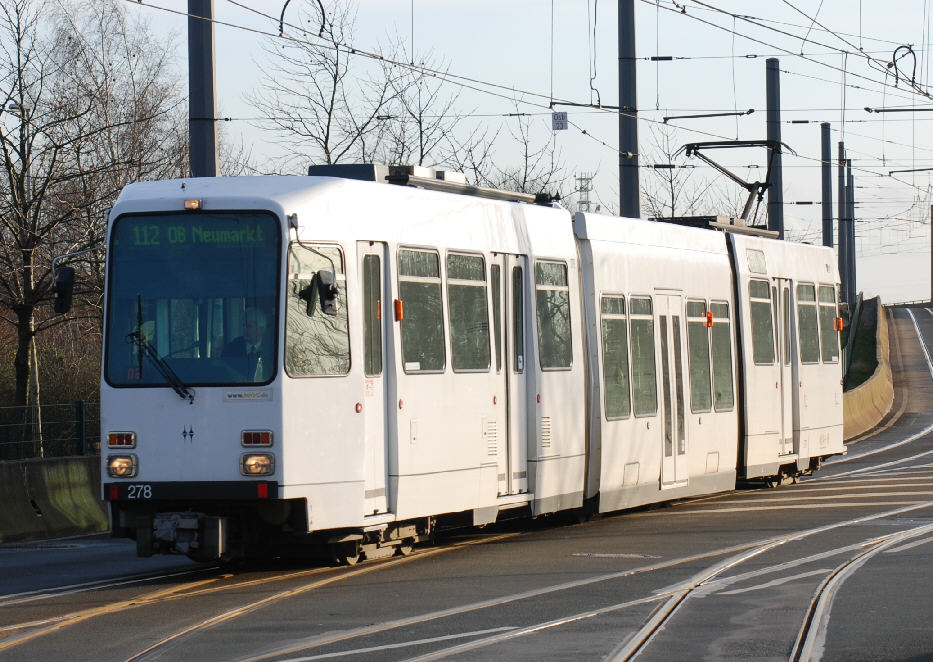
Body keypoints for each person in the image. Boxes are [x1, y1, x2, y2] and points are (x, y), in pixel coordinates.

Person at [223, 308, 269, 380]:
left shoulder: (272, 349)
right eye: (243, 326)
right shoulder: (231, 348)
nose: (245, 329)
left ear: (262, 329)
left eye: (249, 326)